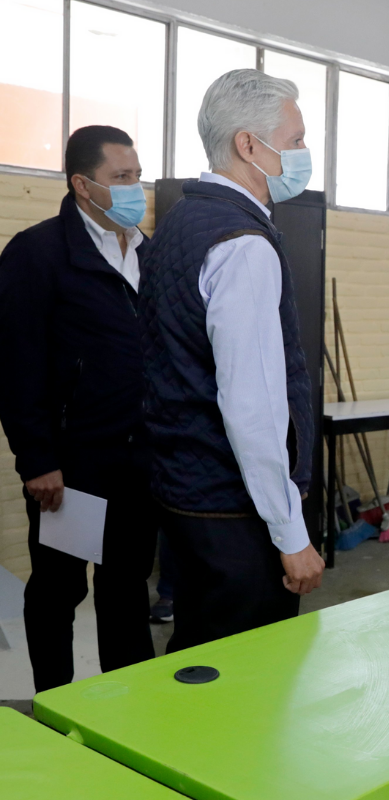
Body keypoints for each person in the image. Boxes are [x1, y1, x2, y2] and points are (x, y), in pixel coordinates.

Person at [139, 69, 323, 652]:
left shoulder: (180, 222)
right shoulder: (242, 245)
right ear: (249, 145)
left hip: (183, 491)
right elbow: (253, 405)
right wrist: (290, 531)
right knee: (248, 678)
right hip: (233, 509)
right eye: (294, 140)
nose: (302, 154)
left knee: (198, 660)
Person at [0, 125, 156, 691]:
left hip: (138, 467)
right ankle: (57, 707)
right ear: (82, 185)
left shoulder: (147, 252)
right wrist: (38, 459)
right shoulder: (39, 254)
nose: (135, 189)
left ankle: (125, 711)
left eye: (138, 176)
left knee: (126, 589)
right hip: (73, 473)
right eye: (122, 178)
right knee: (60, 592)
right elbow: (16, 366)